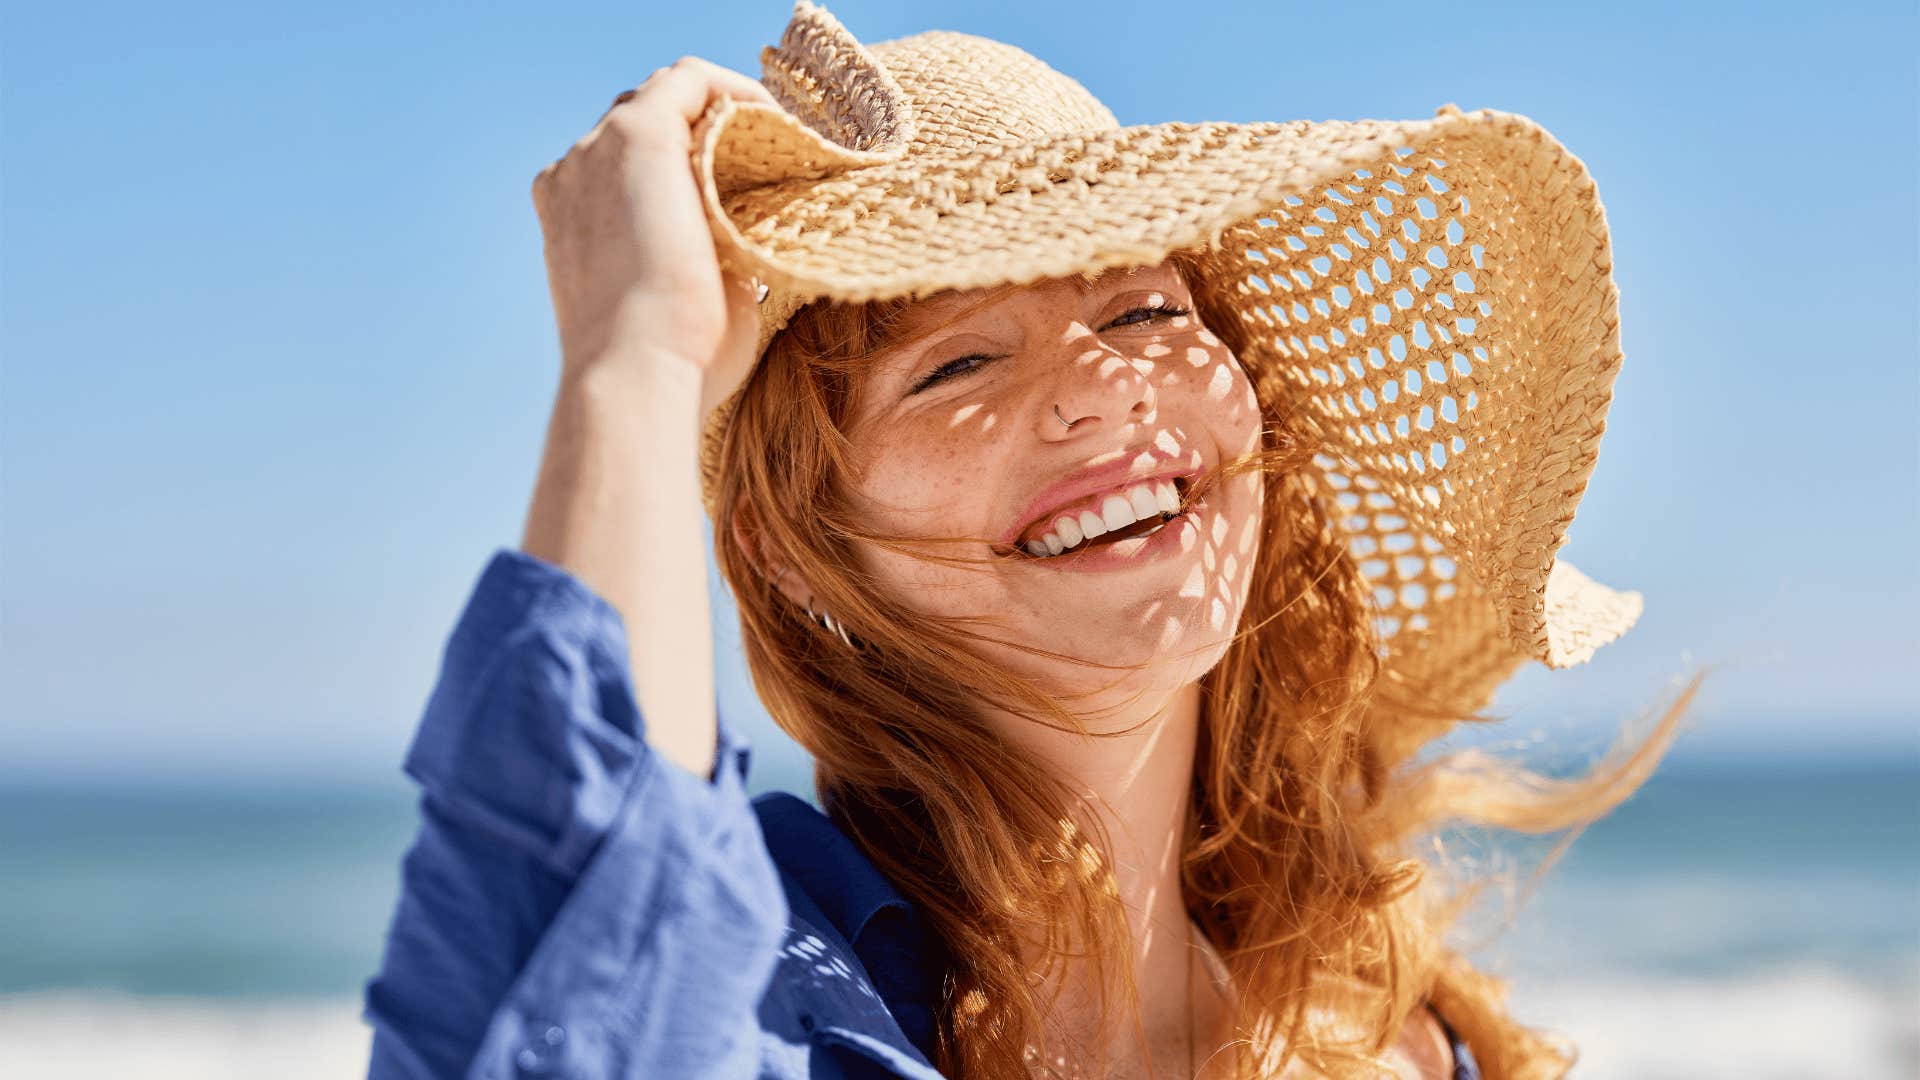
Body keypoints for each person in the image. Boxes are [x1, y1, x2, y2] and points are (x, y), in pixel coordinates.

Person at [363, 3, 1703, 1077]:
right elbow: (560, 1008)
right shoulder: (776, 995)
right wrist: (634, 359)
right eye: (954, 367)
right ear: (785, 544)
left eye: (1143, 314)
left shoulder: (1409, 1038)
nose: (1100, 385)